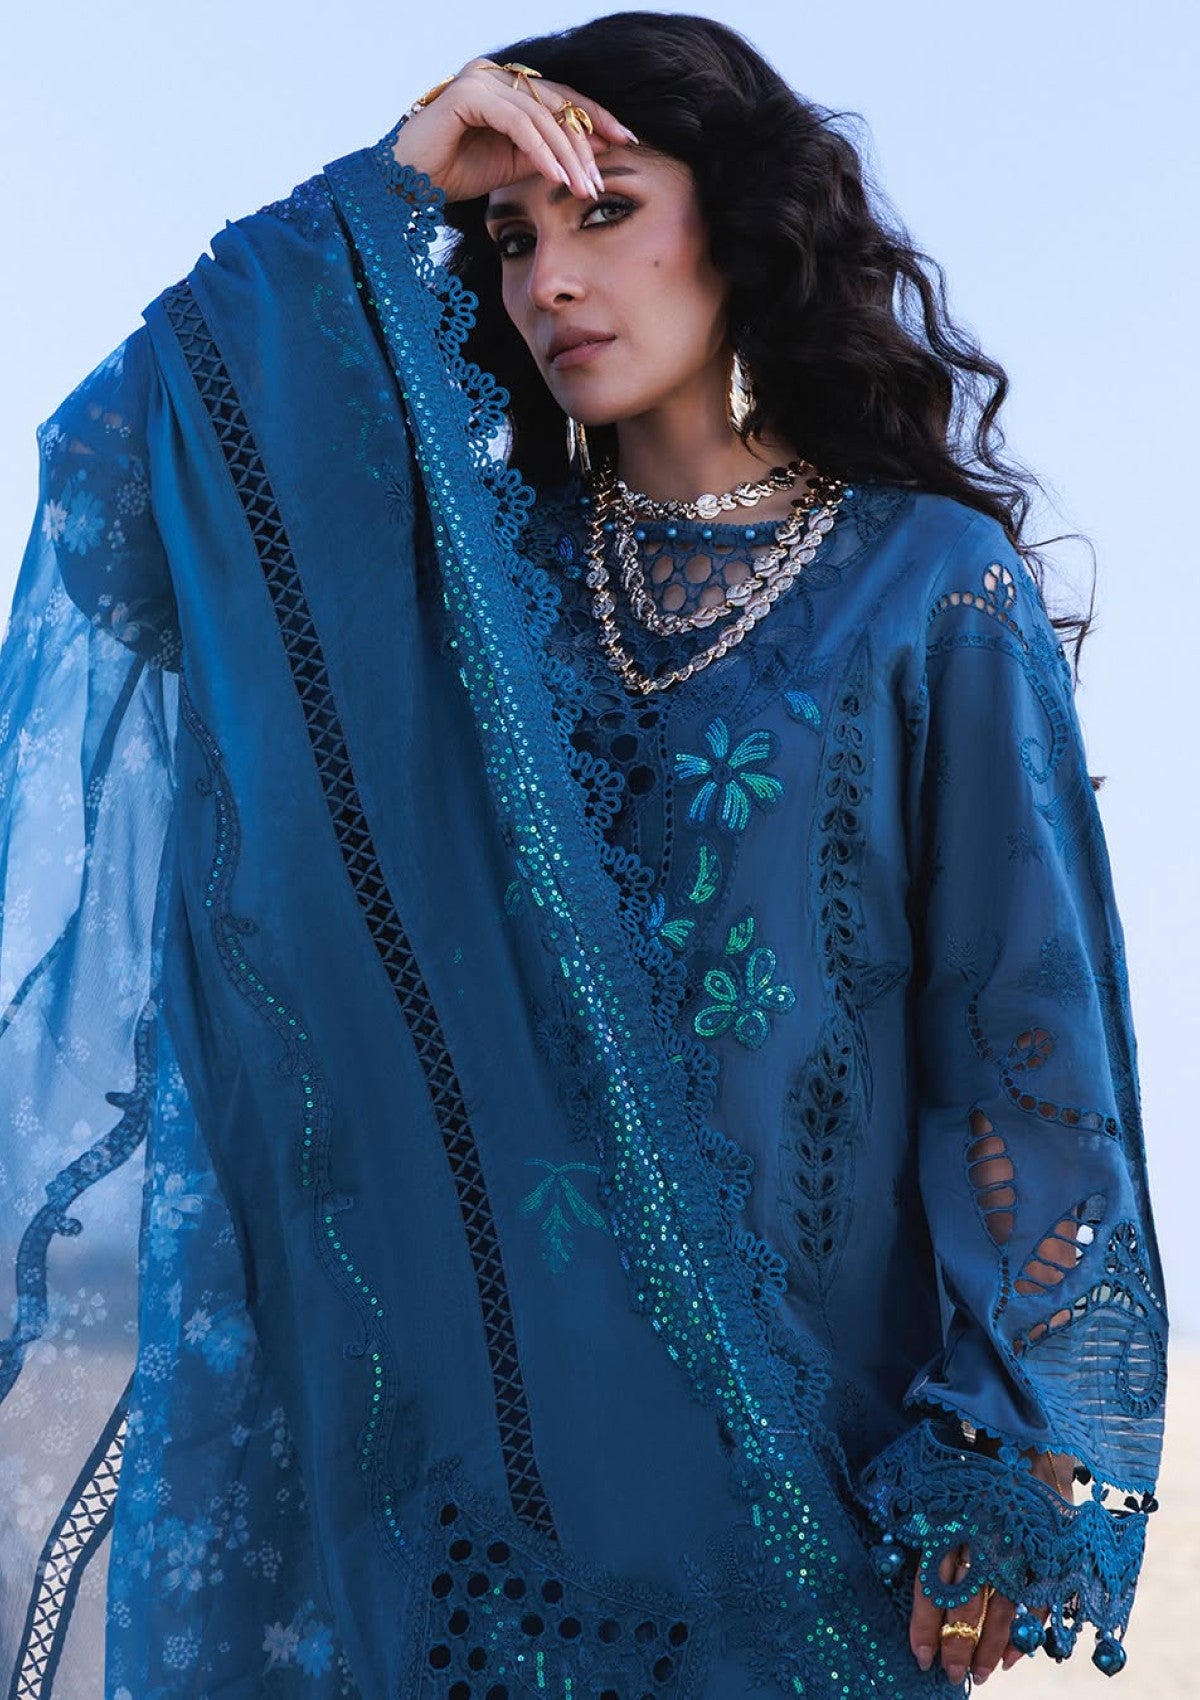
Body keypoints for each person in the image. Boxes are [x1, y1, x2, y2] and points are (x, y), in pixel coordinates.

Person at [0, 11, 1166, 1697]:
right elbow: (118, 514)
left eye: (606, 212)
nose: (550, 277)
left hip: (799, 1524)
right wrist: (397, 177)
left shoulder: (927, 590)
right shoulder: (465, 614)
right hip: (464, 1535)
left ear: (742, 229)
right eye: (508, 235)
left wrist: (1006, 1456)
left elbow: (1021, 1046)